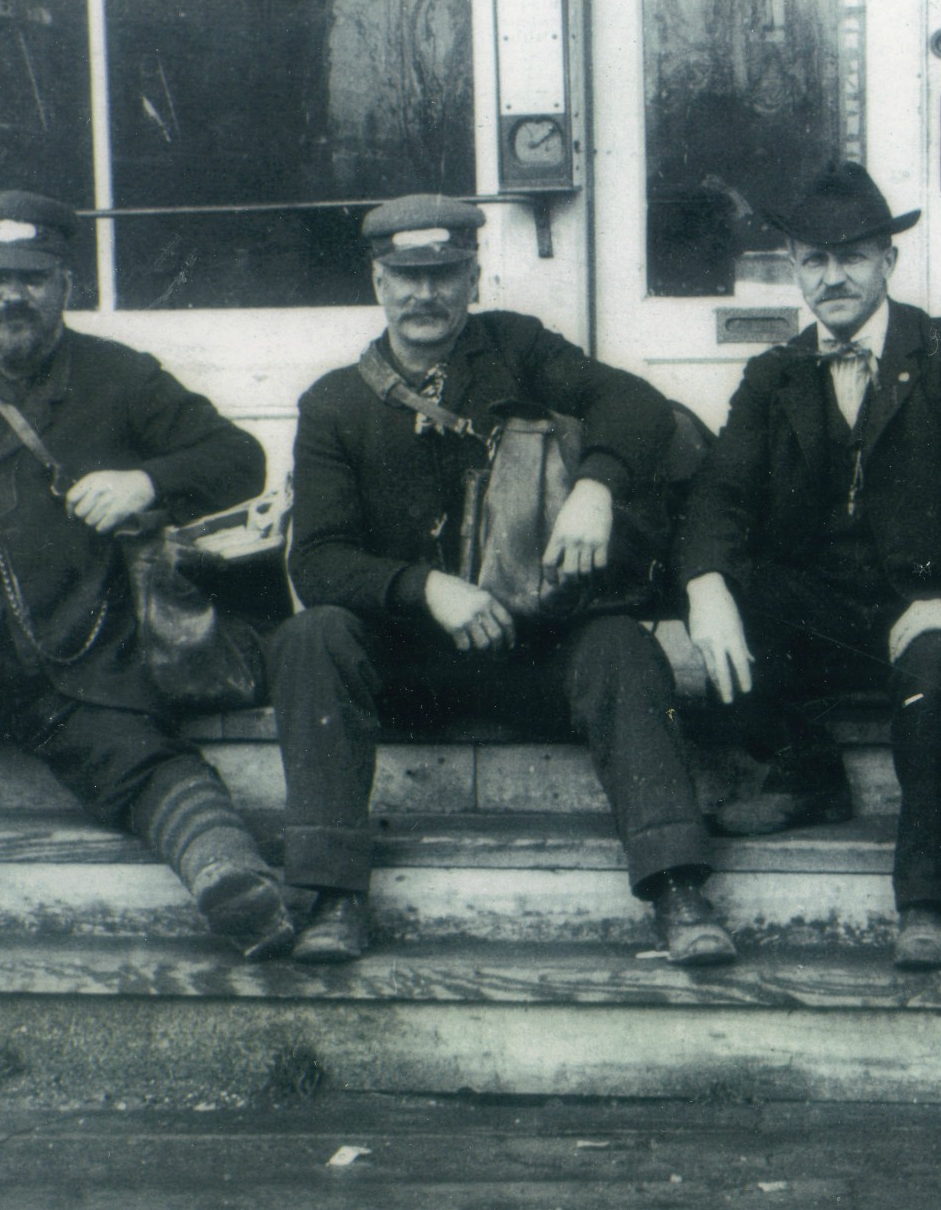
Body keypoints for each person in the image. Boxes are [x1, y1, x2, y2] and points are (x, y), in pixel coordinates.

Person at [270, 195, 733, 967]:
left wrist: (597, 485)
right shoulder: (334, 404)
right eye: (406, 276)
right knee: (311, 636)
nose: (426, 295)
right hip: (409, 669)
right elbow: (316, 561)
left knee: (620, 644)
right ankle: (332, 897)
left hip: (537, 657)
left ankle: (678, 890)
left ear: (473, 277)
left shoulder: (517, 349)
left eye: (444, 274)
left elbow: (636, 403)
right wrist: (424, 588)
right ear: (377, 282)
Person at [0, 190, 293, 963]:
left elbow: (237, 459)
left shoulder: (122, 377)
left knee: (141, 756)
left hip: (79, 660)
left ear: (66, 286)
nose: (14, 295)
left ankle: (230, 877)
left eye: (35, 277)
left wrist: (147, 481)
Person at [680, 162, 941, 970]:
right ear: (793, 270)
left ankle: (926, 904)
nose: (833, 277)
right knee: (728, 598)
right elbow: (720, 495)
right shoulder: (774, 373)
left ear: (888, 261)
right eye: (814, 261)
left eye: (852, 257)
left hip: (935, 618)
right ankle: (802, 768)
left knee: (932, 663)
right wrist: (706, 585)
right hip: (829, 612)